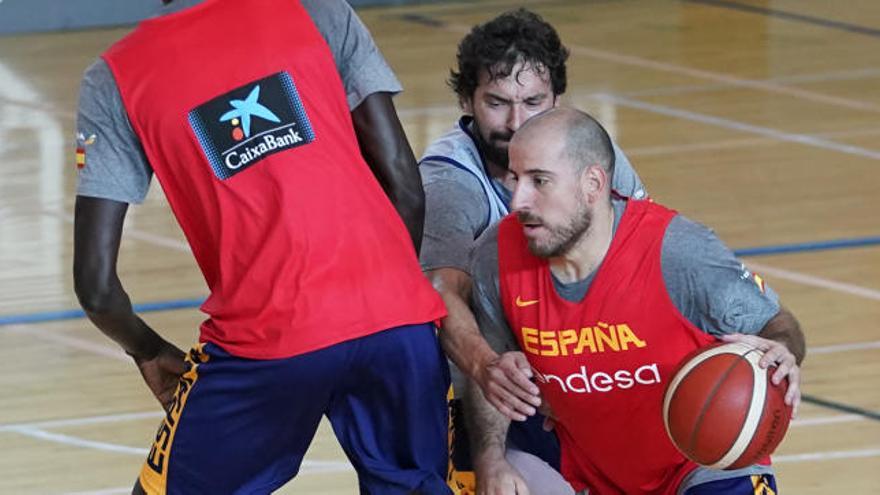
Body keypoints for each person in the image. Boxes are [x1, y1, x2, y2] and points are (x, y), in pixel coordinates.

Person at [72, 1, 451, 493]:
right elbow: (405, 184)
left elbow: (97, 289)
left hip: (269, 337)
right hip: (400, 325)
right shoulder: (317, 9)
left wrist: (148, 350)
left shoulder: (114, 79)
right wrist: (388, 298)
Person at [465, 107, 806, 495]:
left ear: (592, 184)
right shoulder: (498, 255)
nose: (517, 201)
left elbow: (777, 324)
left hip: (703, 464)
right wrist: (490, 460)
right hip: (589, 469)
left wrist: (781, 350)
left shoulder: (679, 253)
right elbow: (491, 375)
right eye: (515, 179)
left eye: (539, 181)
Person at [417, 9, 646, 494]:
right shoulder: (449, 183)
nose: (517, 122)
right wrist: (489, 367)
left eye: (533, 102)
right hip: (485, 398)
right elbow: (442, 295)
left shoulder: (592, 157)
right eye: (497, 103)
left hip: (581, 373)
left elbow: (645, 255)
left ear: (557, 99)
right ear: (467, 100)